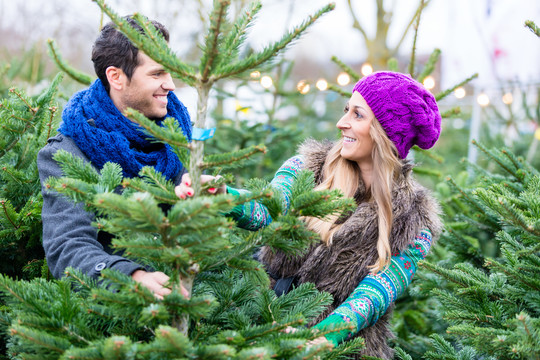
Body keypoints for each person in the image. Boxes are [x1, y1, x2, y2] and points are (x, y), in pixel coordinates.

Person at [176, 71, 443, 358]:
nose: (342, 123)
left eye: (358, 115)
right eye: (345, 111)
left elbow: (375, 294)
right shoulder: (308, 167)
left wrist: (318, 339)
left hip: (343, 351)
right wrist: (225, 196)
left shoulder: (415, 221)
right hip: (263, 328)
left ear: (385, 132)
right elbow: (270, 206)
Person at [37, 16, 192, 299]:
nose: (170, 84)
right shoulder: (66, 153)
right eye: (157, 74)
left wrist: (214, 199)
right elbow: (67, 247)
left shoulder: (176, 136)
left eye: (170, 72)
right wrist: (132, 276)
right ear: (116, 77)